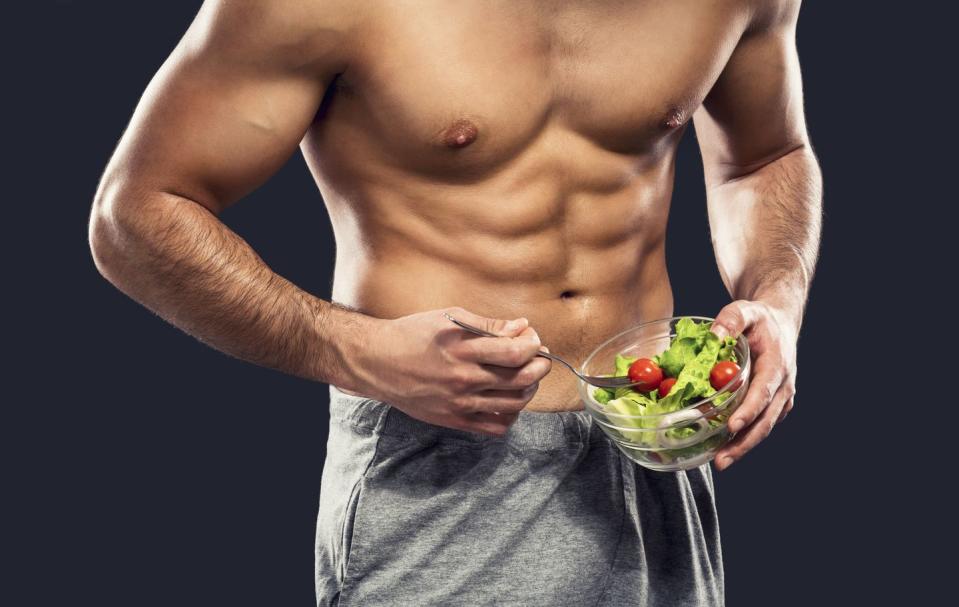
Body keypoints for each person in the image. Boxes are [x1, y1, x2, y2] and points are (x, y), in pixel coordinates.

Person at [88, 1, 822, 605]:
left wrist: (775, 301)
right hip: (439, 465)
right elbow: (134, 214)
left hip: (651, 444)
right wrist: (355, 350)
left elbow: (765, 156)